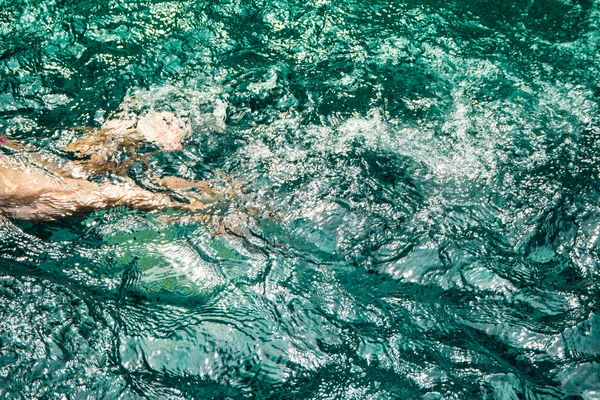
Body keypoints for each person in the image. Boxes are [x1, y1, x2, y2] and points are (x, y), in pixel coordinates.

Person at [0, 111, 236, 222]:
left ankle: (210, 209)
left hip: (16, 182)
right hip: (16, 172)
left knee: (107, 185)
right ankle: (121, 131)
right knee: (93, 174)